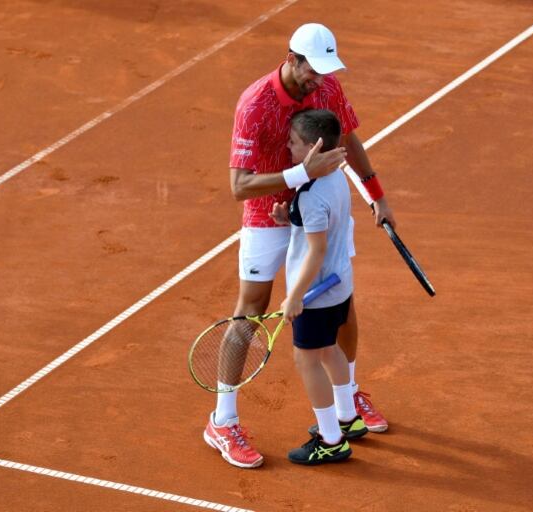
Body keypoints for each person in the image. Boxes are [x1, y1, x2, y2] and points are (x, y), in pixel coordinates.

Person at [203, 22, 394, 469]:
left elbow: (347, 136)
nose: (320, 80)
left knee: (342, 306)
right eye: (313, 70)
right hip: (266, 215)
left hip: (321, 212)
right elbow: (239, 186)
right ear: (291, 59)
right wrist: (300, 176)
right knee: (249, 313)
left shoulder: (327, 88)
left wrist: (377, 193)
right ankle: (222, 420)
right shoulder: (255, 104)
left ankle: (347, 404)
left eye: (326, 71)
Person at [281, 109, 365, 465]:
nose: (287, 146)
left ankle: (331, 439)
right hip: (340, 284)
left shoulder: (311, 194)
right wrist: (291, 219)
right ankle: (348, 416)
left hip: (316, 294)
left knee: (307, 360)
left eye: (294, 142)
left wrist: (295, 296)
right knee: (331, 350)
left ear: (314, 147)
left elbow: (316, 250)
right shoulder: (335, 177)